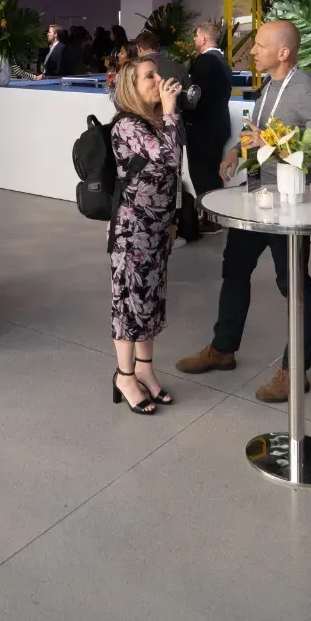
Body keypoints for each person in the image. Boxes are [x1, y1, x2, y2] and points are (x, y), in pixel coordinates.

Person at [177, 19, 311, 402]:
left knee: (294, 288)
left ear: (284, 52)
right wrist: (239, 150)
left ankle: (294, 370)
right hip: (257, 201)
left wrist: (273, 143)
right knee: (234, 271)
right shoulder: (269, 85)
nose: (252, 50)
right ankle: (223, 349)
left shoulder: (309, 91)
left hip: (290, 208)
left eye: (261, 45)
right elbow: (259, 132)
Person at [107, 56, 186, 414]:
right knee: (129, 302)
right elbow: (169, 159)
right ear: (132, 88)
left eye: (158, 73)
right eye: (149, 76)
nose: (159, 80)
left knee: (151, 300)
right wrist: (171, 110)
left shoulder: (155, 123)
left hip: (156, 225)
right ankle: (124, 376)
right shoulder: (126, 126)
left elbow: (174, 173)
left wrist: (173, 218)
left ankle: (145, 370)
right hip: (132, 228)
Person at [183, 21, 233, 230]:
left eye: (196, 36)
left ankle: (211, 220)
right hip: (219, 125)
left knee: (202, 175)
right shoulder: (222, 61)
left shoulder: (204, 61)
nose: (194, 40)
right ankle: (216, 216)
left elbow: (195, 97)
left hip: (202, 128)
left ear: (203, 39)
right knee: (213, 174)